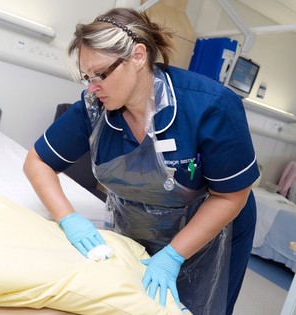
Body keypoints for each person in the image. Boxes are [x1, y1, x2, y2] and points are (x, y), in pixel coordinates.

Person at [23, 7, 259, 315]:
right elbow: (36, 162)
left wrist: (173, 255)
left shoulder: (211, 107)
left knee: (198, 304)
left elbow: (230, 196)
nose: (92, 88)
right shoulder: (93, 109)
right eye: (87, 77)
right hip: (142, 225)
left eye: (100, 75)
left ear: (137, 56)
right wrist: (70, 220)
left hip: (212, 229)